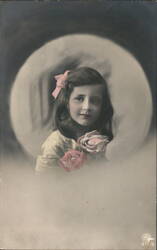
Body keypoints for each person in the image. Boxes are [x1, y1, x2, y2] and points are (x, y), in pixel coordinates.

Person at [36, 67, 114, 173]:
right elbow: (44, 181)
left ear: (102, 106)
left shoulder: (97, 139)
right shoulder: (55, 143)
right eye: (79, 99)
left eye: (95, 100)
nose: (86, 107)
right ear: (67, 103)